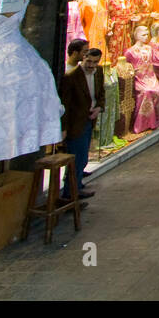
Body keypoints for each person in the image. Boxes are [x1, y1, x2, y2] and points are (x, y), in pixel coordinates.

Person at [59, 40, 103, 202]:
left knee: (82, 156)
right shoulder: (71, 77)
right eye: (89, 61)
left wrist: (99, 107)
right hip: (76, 122)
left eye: (95, 62)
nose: (92, 65)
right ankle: (70, 193)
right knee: (76, 157)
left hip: (89, 119)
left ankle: (75, 187)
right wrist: (63, 128)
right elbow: (65, 104)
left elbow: (101, 95)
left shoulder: (98, 73)